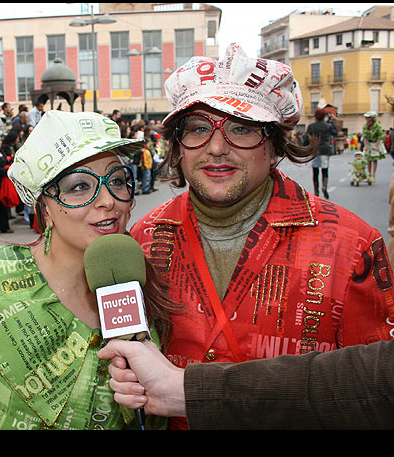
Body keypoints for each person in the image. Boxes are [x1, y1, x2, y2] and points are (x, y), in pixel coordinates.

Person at [128, 43, 394, 430]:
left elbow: (372, 392)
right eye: (199, 129)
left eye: (242, 128)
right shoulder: (145, 237)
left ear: (274, 147)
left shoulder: (351, 245)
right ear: (178, 147)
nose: (217, 148)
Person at [0, 110, 173, 430]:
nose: (108, 200)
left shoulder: (136, 278)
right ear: (44, 206)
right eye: (79, 186)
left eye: (116, 180)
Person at [97, 337, 394, 430]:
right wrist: (181, 390)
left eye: (122, 183)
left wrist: (183, 390)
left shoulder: (353, 241)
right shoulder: (147, 236)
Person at [306, 108, 337, 198]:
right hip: (325, 149)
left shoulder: (311, 126)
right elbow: (335, 133)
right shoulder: (328, 125)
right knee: (325, 169)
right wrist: (332, 123)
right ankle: (324, 187)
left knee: (315, 171)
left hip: (315, 150)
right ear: (324, 116)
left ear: (315, 116)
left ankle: (316, 191)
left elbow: (307, 138)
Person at [361, 111, 387, 183]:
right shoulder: (365, 126)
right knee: (368, 159)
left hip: (375, 142)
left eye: (368, 117)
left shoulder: (377, 125)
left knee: (374, 159)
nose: (366, 118)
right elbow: (365, 136)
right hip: (369, 143)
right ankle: (369, 174)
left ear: (372, 118)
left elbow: (380, 136)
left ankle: (373, 175)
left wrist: (376, 145)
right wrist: (365, 145)